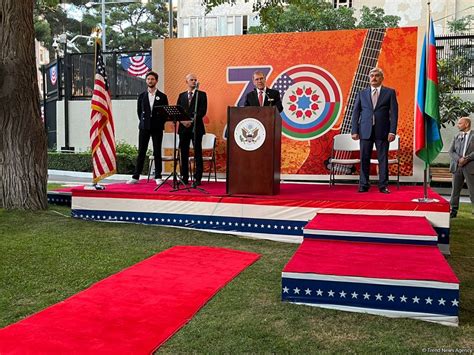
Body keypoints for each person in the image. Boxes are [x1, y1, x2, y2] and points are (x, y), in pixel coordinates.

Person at [351, 67, 398, 193]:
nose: (374, 78)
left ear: (382, 78)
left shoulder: (390, 93)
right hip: (365, 130)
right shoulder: (361, 93)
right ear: (369, 78)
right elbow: (355, 113)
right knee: (364, 158)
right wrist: (354, 130)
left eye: (377, 75)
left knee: (383, 159)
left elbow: (394, 114)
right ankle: (363, 184)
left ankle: (383, 186)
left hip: (383, 131)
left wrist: (392, 131)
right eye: (372, 75)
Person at [128, 71, 169, 185]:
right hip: (144, 127)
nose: (150, 81)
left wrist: (159, 122)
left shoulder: (162, 96)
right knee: (141, 151)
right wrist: (144, 122)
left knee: (157, 151)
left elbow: (166, 113)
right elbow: (139, 112)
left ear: (156, 81)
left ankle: (158, 176)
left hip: (157, 127)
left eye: (152, 79)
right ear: (146, 81)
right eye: (148, 79)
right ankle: (136, 176)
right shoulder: (141, 96)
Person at [177, 73, 208, 187]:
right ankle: (184, 177)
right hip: (183, 129)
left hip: (196, 128)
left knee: (197, 153)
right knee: (183, 153)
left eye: (195, 80)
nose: (194, 82)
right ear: (186, 82)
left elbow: (202, 111)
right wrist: (183, 121)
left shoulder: (202, 95)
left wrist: (191, 121)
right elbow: (178, 110)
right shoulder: (182, 95)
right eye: (191, 80)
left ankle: (197, 178)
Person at [449, 116, 474, 218]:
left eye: (460, 123)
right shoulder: (456, 136)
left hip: (470, 167)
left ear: (466, 124)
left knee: (473, 190)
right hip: (457, 166)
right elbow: (451, 151)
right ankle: (453, 210)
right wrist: (459, 159)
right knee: (455, 190)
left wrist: (467, 158)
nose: (457, 125)